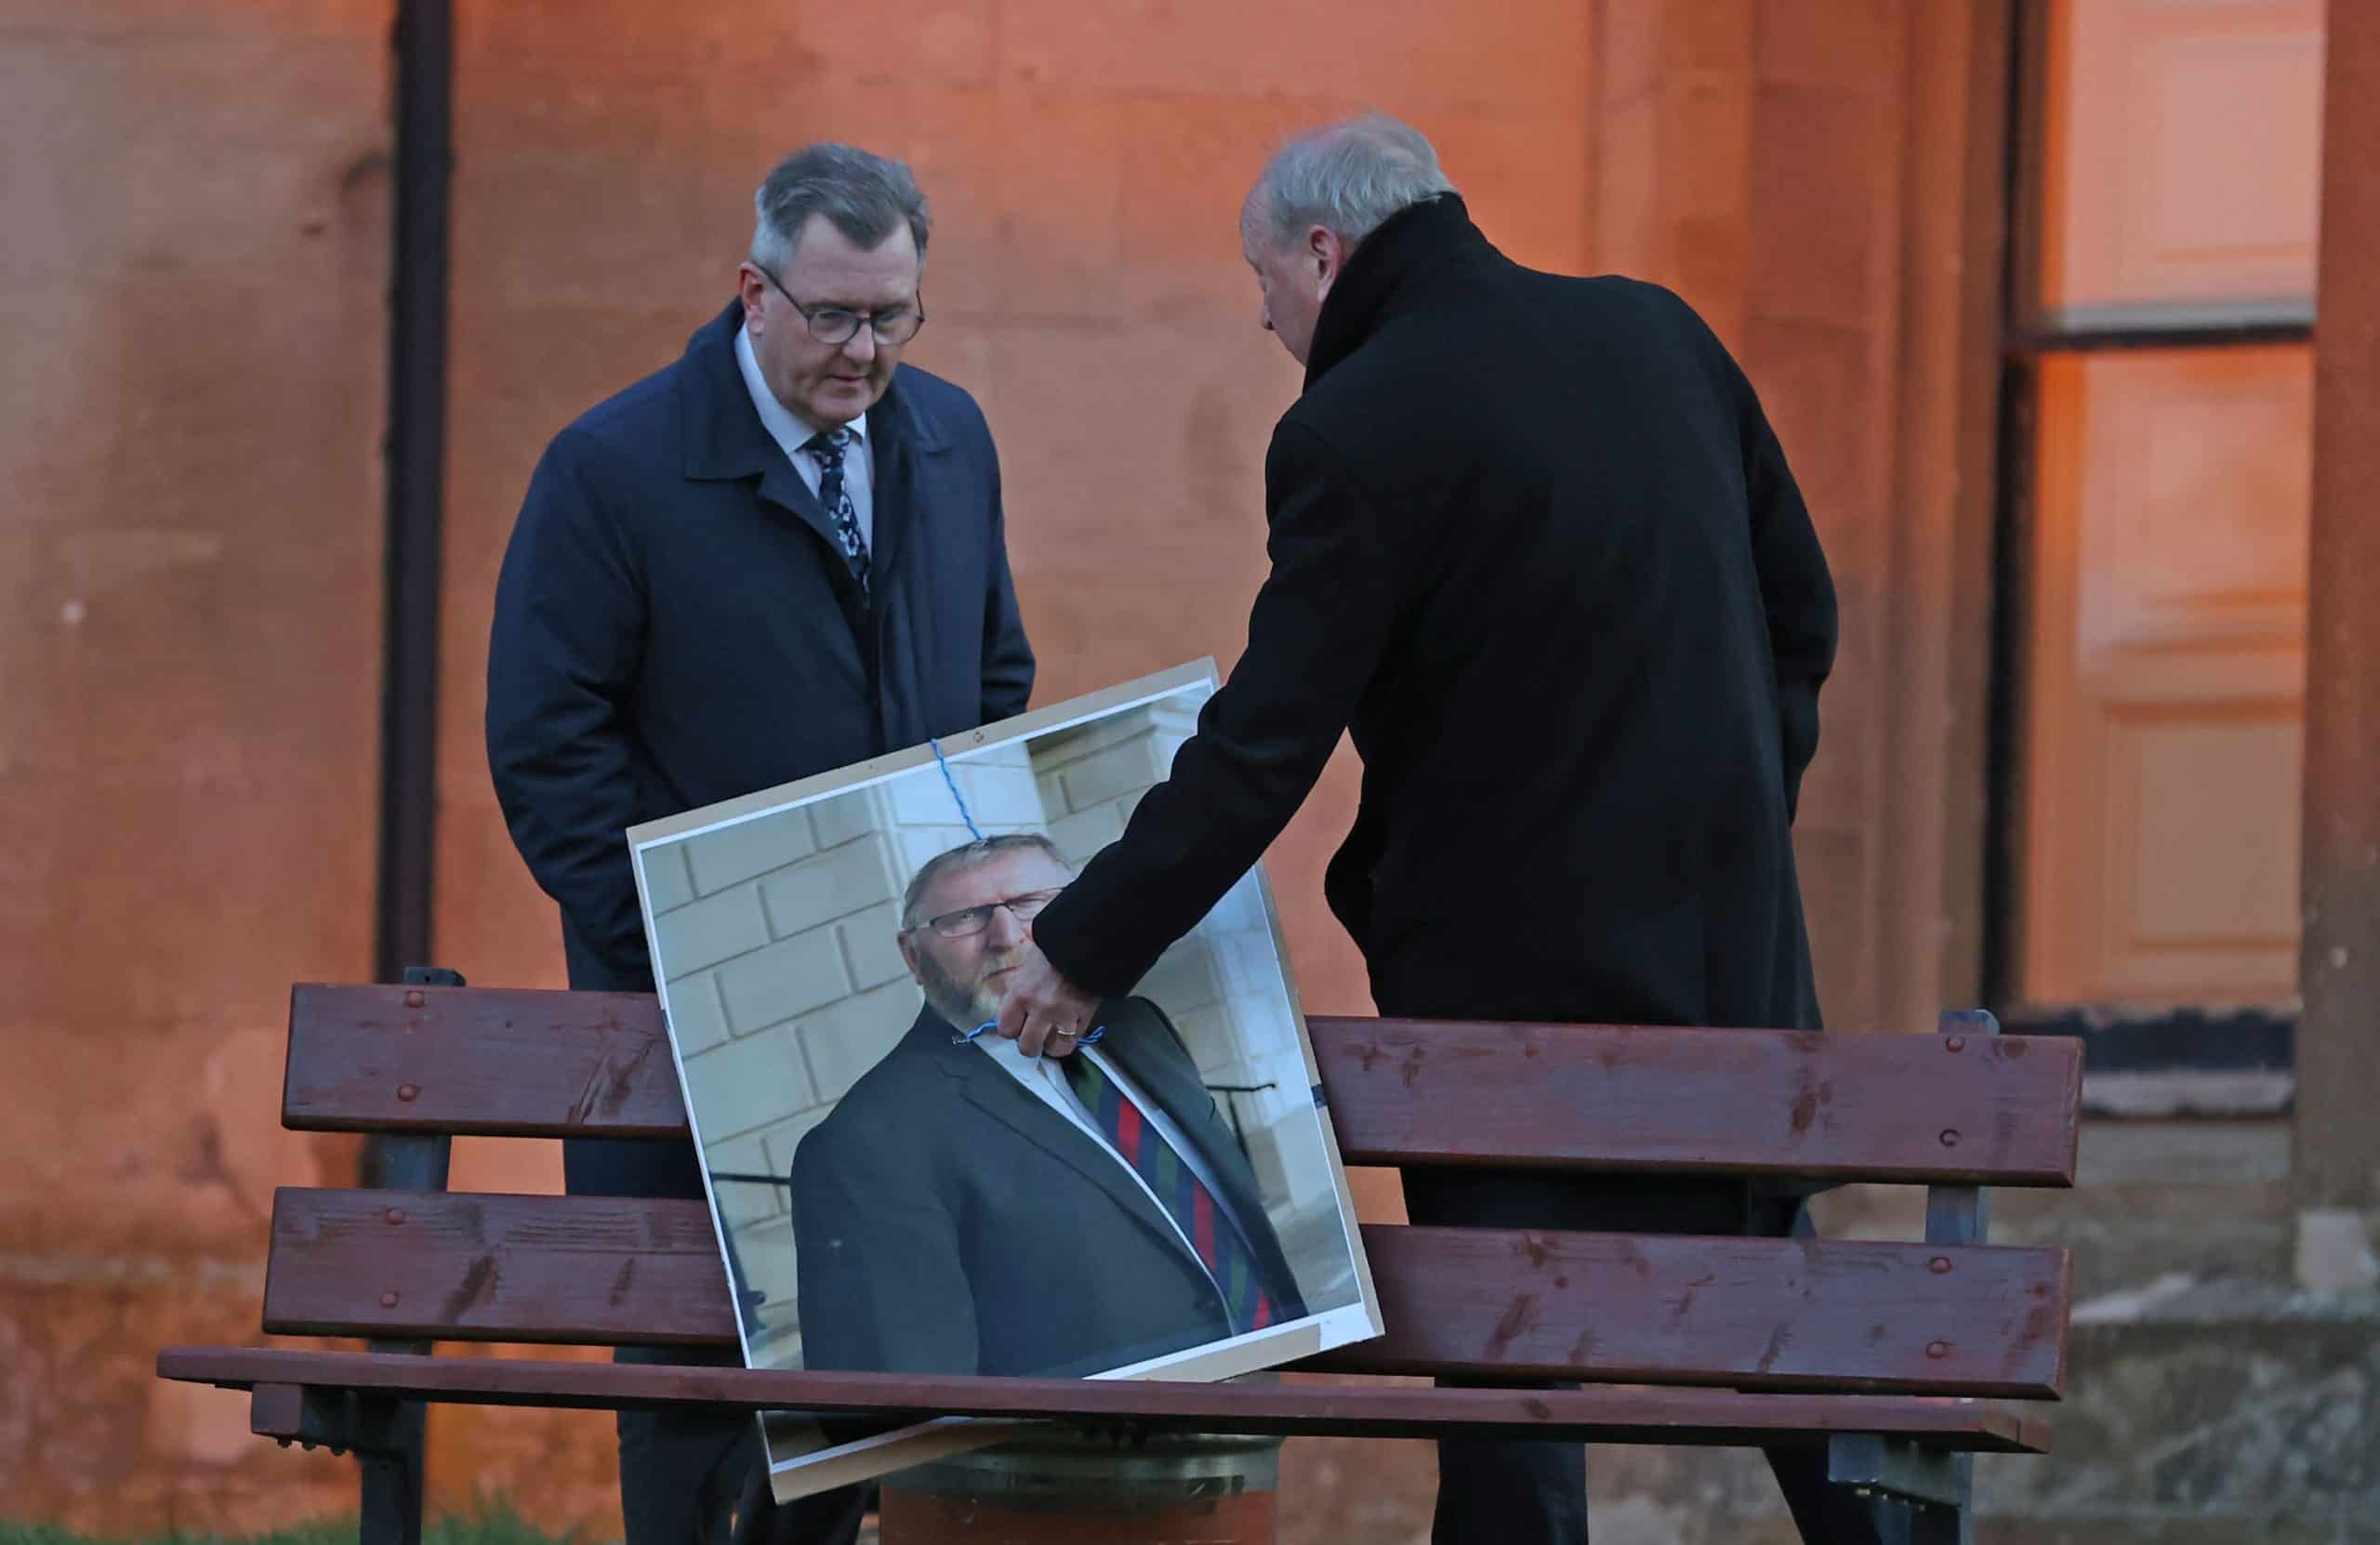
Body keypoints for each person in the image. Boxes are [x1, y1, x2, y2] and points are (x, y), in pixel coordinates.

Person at [997, 115, 1858, 1542]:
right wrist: (1735, 824)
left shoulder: (1357, 423)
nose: (1262, 313)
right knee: (1797, 1349)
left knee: (1510, 1390)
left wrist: (1084, 944)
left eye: (1262, 281)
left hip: (1501, 999)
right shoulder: (1661, 337)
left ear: (1326, 255)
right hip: (1722, 965)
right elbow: (1802, 619)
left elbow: (1264, 742)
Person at [485, 142, 1033, 1545]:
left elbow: (993, 677)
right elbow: (549, 748)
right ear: (753, 292)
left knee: (868, 1373)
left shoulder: (950, 438)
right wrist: (688, 936)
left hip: (894, 1013)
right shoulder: (610, 470)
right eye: (834, 315)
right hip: (681, 1016)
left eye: (893, 316)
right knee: (687, 1395)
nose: (865, 351)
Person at [791, 834, 1306, 1380]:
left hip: (1267, 1379)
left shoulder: (1137, 1026)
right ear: (912, 954)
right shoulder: (864, 1141)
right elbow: (901, 1402)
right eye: (965, 918)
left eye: (1033, 904)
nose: (1006, 936)